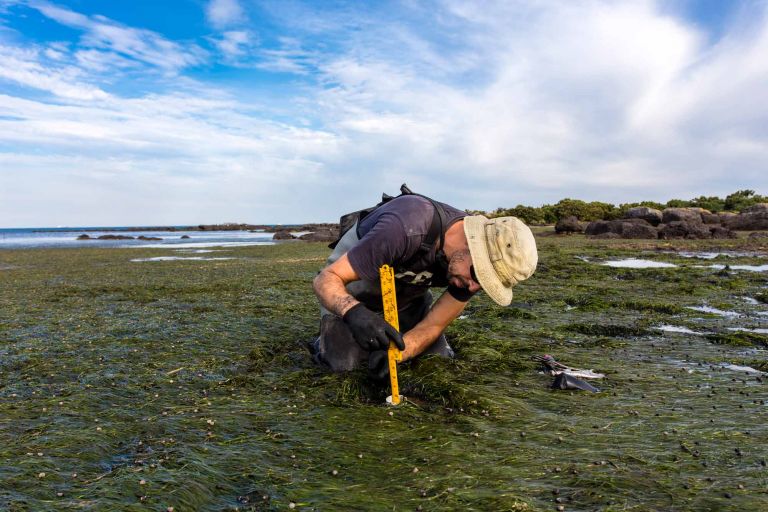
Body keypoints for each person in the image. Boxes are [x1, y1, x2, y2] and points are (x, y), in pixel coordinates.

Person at [310, 190, 538, 380]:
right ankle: (324, 339)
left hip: (408, 301)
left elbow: (433, 326)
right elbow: (326, 279)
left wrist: (399, 355)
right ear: (471, 245)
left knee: (438, 362)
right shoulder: (407, 226)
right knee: (345, 368)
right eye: (479, 276)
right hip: (352, 291)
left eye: (484, 285)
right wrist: (354, 313)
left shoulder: (468, 275)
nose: (472, 288)